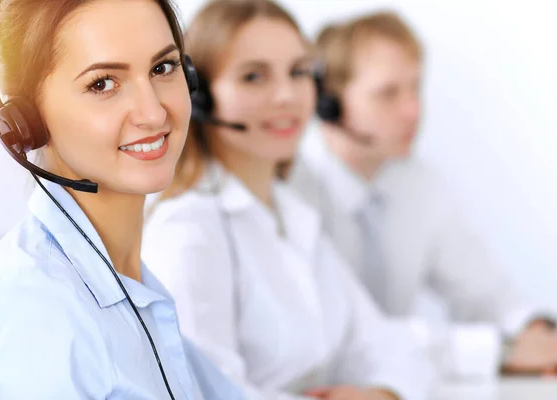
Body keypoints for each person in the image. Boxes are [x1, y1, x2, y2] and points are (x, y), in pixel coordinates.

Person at [143, 1, 435, 399]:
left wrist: (383, 394)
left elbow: (391, 348)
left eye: (299, 72)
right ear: (201, 94)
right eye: (253, 76)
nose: (286, 95)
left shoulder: (292, 214)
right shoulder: (189, 229)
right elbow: (204, 392)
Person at [0, 0, 242, 398]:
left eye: (163, 68)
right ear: (29, 120)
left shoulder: (122, 278)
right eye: (103, 83)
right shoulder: (36, 316)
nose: (154, 113)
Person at [288, 10, 557, 377]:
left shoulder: (419, 183)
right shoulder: (290, 189)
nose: (413, 110)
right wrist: (499, 350)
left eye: (415, 88)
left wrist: (534, 330)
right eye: (388, 94)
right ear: (327, 102)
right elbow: (349, 335)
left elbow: (484, 291)